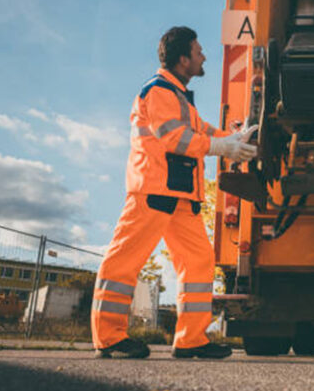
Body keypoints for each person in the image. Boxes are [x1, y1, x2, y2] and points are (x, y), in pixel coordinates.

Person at [91, 26, 257, 359]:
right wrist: (222, 146)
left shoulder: (179, 97)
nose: (203, 56)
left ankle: (191, 339)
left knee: (198, 262)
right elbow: (175, 139)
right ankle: (109, 337)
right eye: (198, 52)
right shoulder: (158, 91)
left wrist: (235, 139)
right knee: (124, 262)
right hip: (152, 193)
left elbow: (204, 131)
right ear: (183, 59)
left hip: (179, 197)